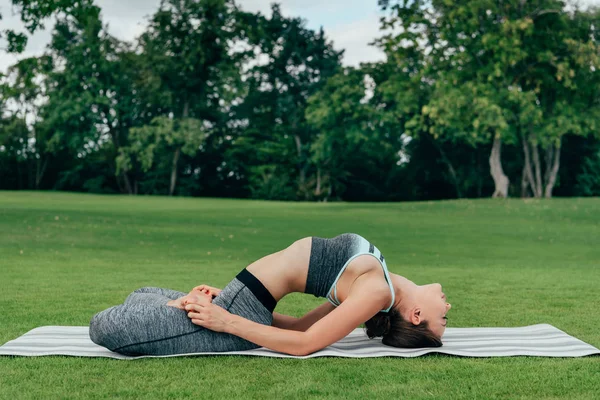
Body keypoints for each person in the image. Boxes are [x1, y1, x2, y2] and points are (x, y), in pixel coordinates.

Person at [89, 233, 451, 356]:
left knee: (104, 326)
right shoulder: (379, 281)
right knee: (142, 294)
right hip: (243, 300)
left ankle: (181, 314)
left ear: (416, 316)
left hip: (236, 316)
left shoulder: (376, 292)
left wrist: (226, 320)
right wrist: (226, 299)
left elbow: (304, 344)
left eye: (444, 317)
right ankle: (178, 310)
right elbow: (298, 327)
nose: (448, 307)